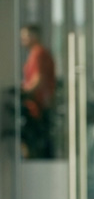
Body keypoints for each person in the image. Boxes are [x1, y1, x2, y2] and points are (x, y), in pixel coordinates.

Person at [20, 23, 56, 157]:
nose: (22, 39)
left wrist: (24, 92)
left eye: (25, 36)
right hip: (37, 104)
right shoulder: (36, 54)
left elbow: (38, 80)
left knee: (38, 143)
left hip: (39, 105)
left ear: (33, 36)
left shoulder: (39, 53)